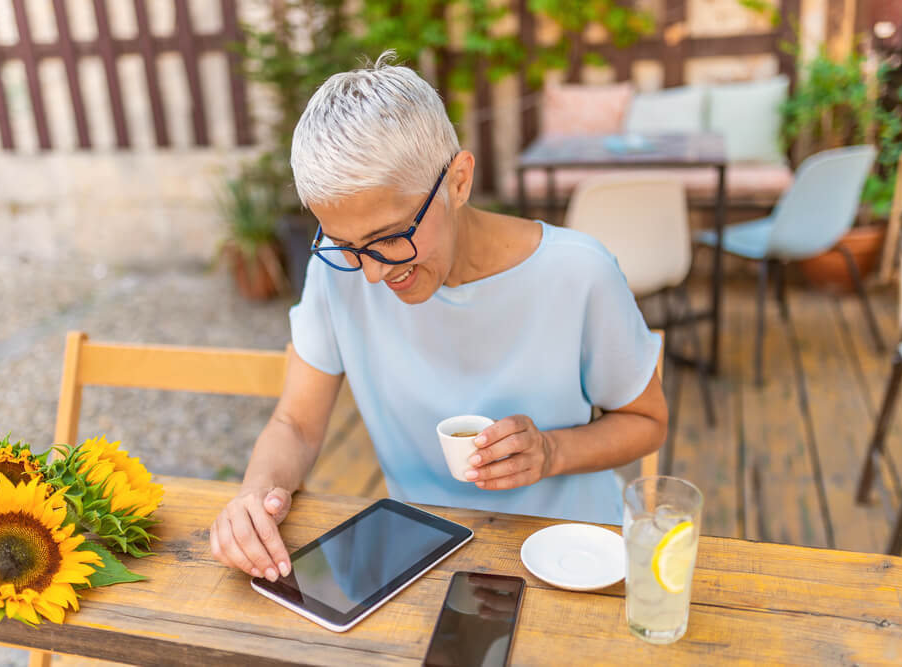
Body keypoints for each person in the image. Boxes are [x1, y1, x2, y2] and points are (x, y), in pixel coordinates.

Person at [210, 53, 668, 582]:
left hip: (574, 555)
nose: (373, 275)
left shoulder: (580, 272)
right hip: (425, 555)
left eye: (390, 238)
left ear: (458, 180)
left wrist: (550, 451)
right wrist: (254, 496)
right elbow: (295, 424)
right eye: (345, 244)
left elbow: (647, 422)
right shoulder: (337, 274)